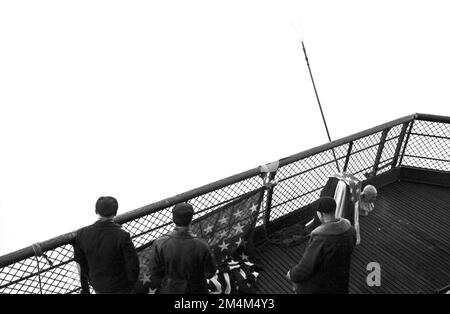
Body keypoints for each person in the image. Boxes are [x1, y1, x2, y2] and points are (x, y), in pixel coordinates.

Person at [287, 196, 357, 294]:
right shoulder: (351, 230)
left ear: (320, 214)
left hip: (321, 286)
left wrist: (292, 274)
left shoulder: (321, 238)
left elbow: (306, 267)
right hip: (340, 280)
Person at [73, 196, 140, 294]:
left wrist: (90, 284)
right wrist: (130, 285)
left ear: (96, 211)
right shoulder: (122, 235)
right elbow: (133, 265)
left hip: (98, 286)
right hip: (121, 287)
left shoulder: (81, 234)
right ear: (115, 213)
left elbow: (81, 264)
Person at [149, 202, 217, 294]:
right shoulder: (202, 245)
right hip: (197, 290)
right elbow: (210, 273)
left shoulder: (160, 243)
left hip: (170, 289)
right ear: (191, 219)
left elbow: (155, 273)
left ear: (173, 219)